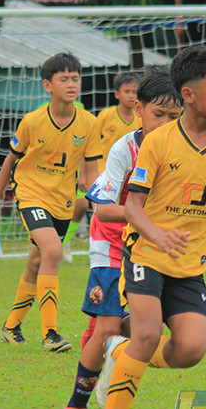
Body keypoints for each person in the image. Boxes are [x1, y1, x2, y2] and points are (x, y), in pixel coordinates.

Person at [91, 42, 206, 409]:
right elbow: (134, 206)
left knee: (191, 350)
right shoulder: (158, 143)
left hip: (190, 265)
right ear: (189, 94)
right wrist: (157, 234)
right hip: (145, 254)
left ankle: (119, 353)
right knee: (146, 333)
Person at [59, 67, 184, 409]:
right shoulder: (124, 149)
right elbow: (103, 208)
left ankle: (113, 350)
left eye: (174, 116)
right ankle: (76, 406)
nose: (165, 123)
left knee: (148, 328)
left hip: (156, 246)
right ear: (139, 108)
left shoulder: (182, 149)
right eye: (158, 114)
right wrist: (145, 220)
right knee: (108, 326)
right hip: (112, 244)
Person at [0, 52, 102, 352]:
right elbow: (10, 163)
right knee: (53, 250)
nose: (72, 84)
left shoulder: (89, 123)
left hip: (62, 202)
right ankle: (51, 334)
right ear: (48, 85)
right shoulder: (32, 122)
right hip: (30, 195)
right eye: (64, 79)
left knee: (37, 261)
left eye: (75, 78)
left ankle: (11, 326)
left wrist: (100, 205)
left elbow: (93, 169)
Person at [78, 71, 142, 343]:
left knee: (131, 318)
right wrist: (86, 172)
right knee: (107, 323)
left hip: (139, 232)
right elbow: (89, 143)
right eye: (127, 91)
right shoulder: (108, 121)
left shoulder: (164, 141)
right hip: (109, 185)